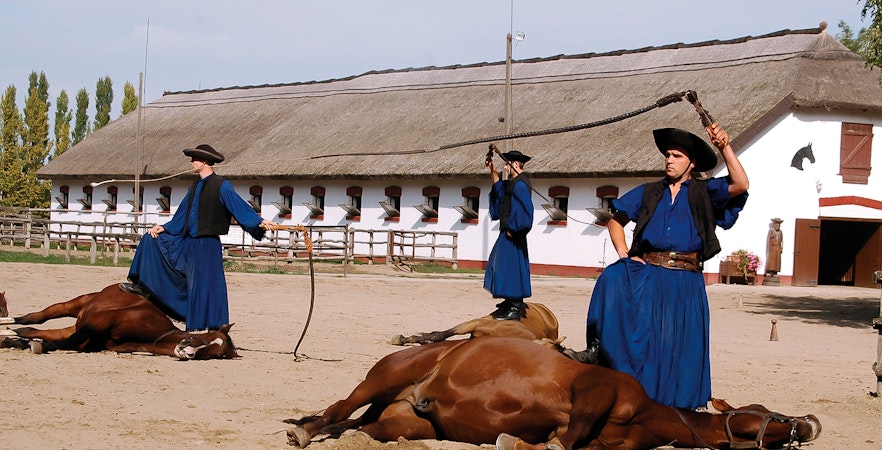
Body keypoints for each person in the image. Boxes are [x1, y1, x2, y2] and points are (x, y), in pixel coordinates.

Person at [585, 124, 749, 409]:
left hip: (686, 282)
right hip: (650, 276)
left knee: (680, 345)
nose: (669, 160)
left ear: (692, 163)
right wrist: (625, 254)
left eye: (677, 156)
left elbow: (741, 184)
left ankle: (682, 408)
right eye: (668, 155)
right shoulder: (649, 192)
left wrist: (725, 147)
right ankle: (598, 350)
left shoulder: (705, 191)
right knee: (612, 278)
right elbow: (615, 221)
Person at [120, 144, 277, 331]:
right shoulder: (195, 186)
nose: (190, 162)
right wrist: (164, 227)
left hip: (207, 243)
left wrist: (258, 222)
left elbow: (238, 207)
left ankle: (212, 326)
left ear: (203, 162)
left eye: (194, 159)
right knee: (150, 239)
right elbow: (182, 214)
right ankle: (143, 287)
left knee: (205, 285)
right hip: (189, 242)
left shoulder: (221, 185)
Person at [483, 149, 534, 320]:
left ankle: (515, 306)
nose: (505, 168)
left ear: (516, 164)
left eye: (507, 164)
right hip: (509, 232)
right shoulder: (513, 183)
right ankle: (509, 299)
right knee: (500, 265)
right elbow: (499, 188)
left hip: (514, 234)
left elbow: (525, 212)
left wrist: (515, 229)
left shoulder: (520, 185)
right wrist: (492, 168)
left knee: (511, 268)